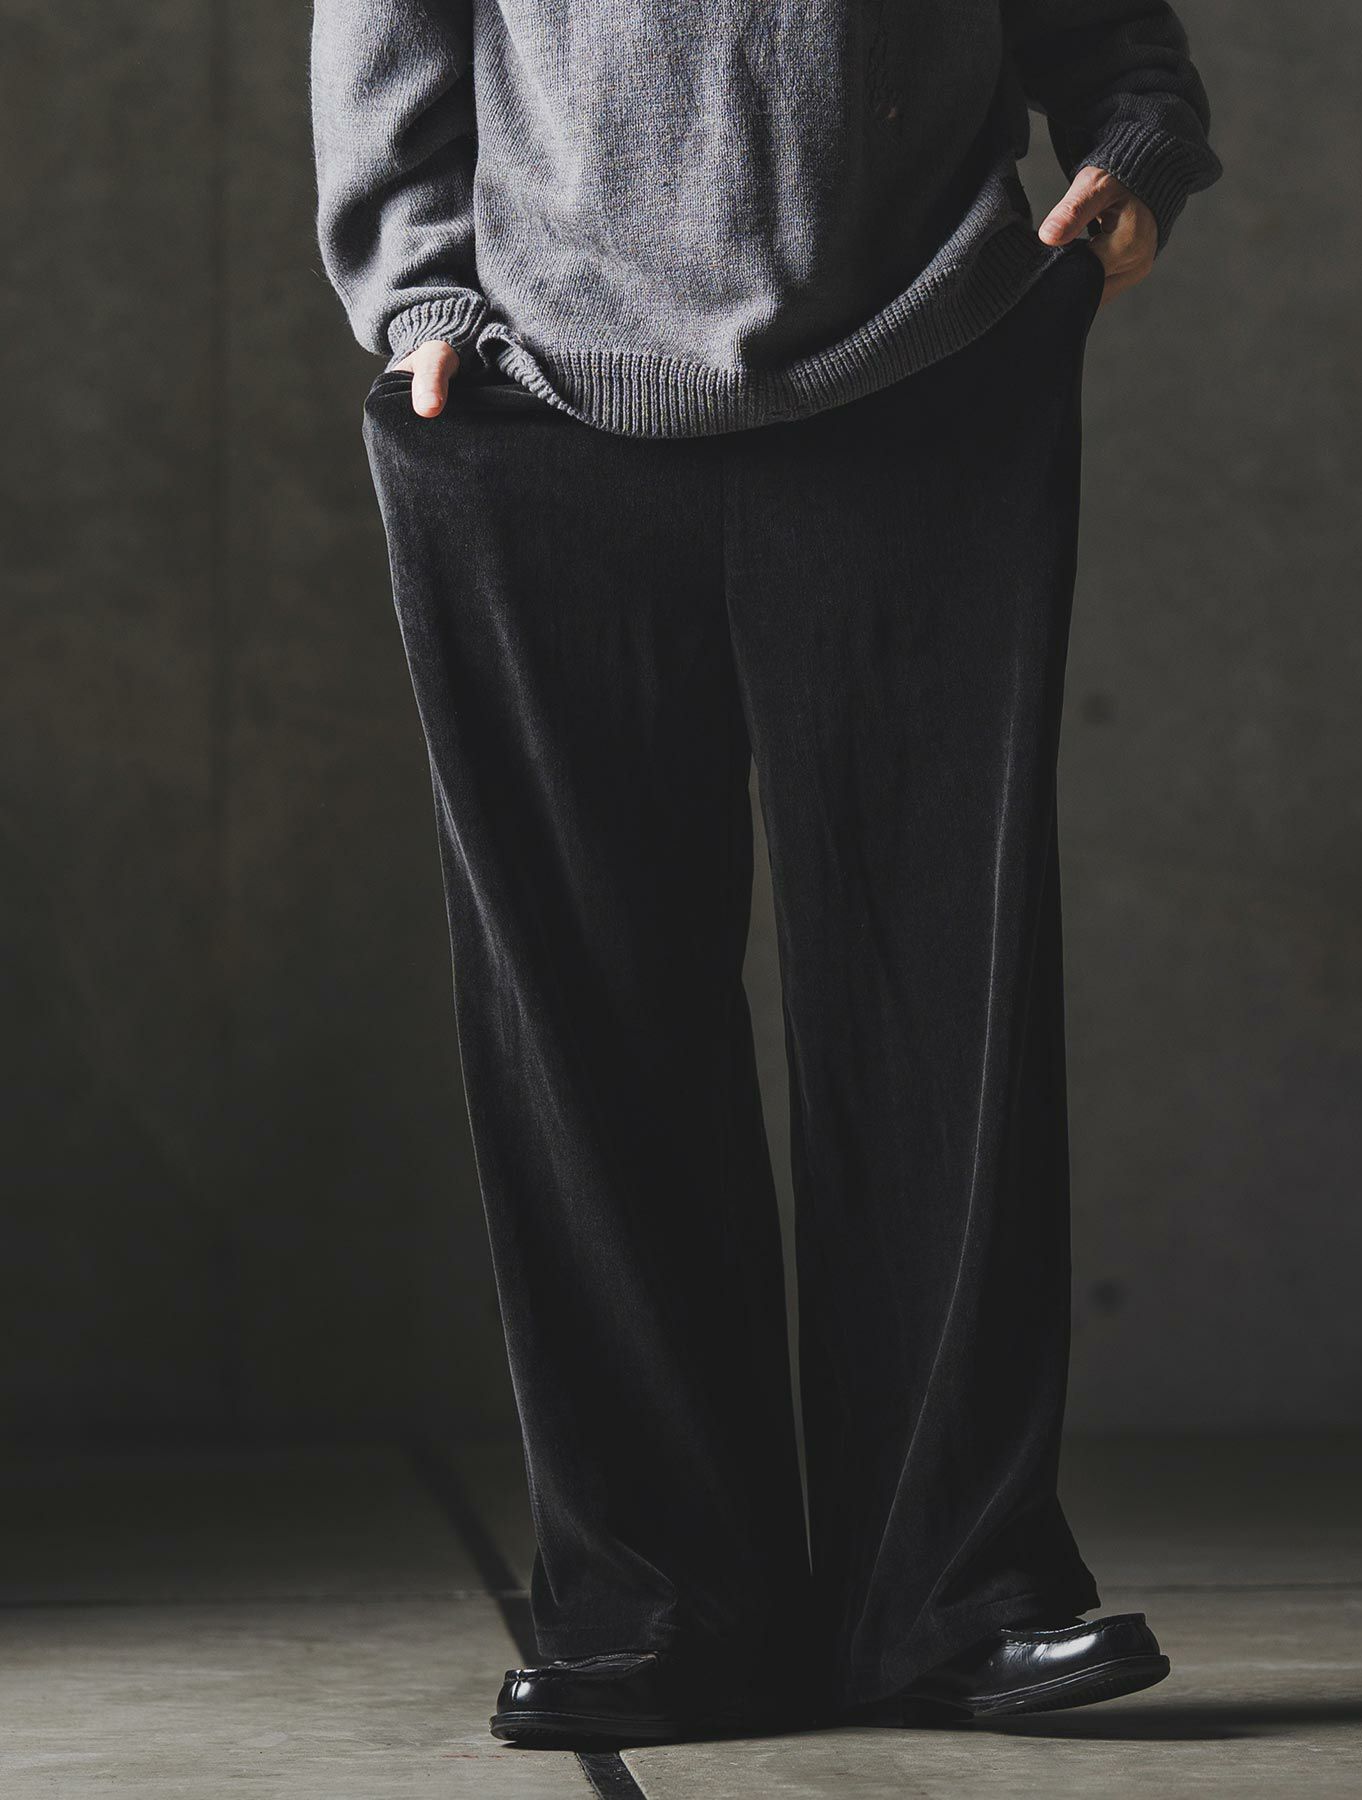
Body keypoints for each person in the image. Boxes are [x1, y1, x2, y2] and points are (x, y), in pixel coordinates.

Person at [311, 0, 1221, 1748]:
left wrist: (1135, 138)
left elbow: (1112, 34)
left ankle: (960, 1594)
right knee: (585, 1026)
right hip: (533, 396)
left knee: (942, 1002)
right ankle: (658, 1606)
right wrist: (418, 288)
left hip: (933, 371)